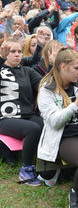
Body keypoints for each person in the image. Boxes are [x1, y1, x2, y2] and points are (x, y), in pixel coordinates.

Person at [37, 48, 78, 208]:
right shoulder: (47, 90)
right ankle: (76, 192)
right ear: (63, 66)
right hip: (65, 137)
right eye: (76, 68)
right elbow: (54, 122)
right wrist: (76, 104)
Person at [0, 39, 43, 186]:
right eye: (13, 51)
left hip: (28, 115)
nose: (17, 55)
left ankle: (46, 167)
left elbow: (44, 84)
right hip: (5, 119)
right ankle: (26, 169)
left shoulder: (28, 71)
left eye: (19, 51)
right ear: (6, 53)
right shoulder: (1, 70)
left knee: (48, 124)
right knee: (33, 129)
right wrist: (1, 58)